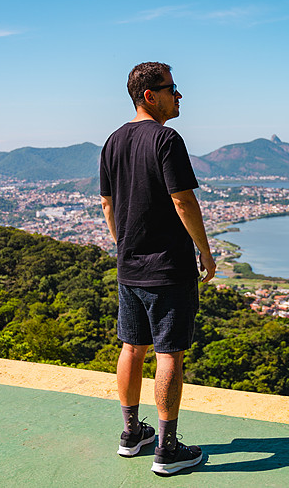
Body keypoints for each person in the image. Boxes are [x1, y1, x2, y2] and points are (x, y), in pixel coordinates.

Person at [99, 62, 216, 476]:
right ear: (150, 95)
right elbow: (183, 200)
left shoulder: (112, 142)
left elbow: (108, 206)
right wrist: (204, 250)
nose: (179, 96)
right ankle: (167, 449)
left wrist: (124, 245)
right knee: (170, 353)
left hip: (129, 266)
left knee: (132, 347)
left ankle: (132, 435)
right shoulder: (166, 139)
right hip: (167, 267)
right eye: (173, 88)